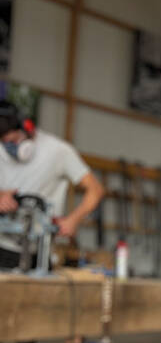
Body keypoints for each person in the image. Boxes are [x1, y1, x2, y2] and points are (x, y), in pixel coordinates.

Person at [0, 99, 104, 269]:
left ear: (28, 128)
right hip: (3, 248)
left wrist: (73, 220)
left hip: (39, 253)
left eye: (13, 141)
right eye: (4, 143)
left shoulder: (59, 151)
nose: (9, 147)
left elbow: (95, 189)